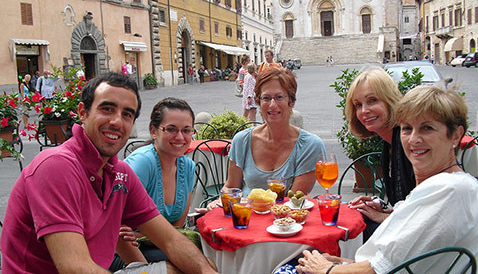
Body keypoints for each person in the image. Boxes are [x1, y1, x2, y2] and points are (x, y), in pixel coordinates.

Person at [1, 72, 217, 274]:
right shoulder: (56, 166)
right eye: (107, 109)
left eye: (127, 114)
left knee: (201, 264)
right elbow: (74, 267)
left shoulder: (119, 172)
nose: (116, 122)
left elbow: (171, 239)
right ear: (83, 113)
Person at [281, 85, 478, 274]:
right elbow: (395, 263)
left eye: (427, 128)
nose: (413, 139)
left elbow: (382, 268)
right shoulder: (445, 186)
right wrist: (340, 263)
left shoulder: (449, 189)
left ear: (455, 136)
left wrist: (328, 269)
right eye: (407, 128)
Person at [205, 67, 325, 205]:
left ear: (291, 102)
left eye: (279, 97)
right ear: (259, 102)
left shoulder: (310, 146)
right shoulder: (242, 140)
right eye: (266, 98)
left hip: (286, 222)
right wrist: (219, 202)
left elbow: (294, 201)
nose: (272, 105)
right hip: (244, 218)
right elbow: (232, 187)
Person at [110, 98, 197, 270]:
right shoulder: (142, 163)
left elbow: (177, 226)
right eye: (171, 129)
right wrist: (146, 269)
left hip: (158, 244)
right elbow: (113, 224)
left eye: (186, 130)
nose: (180, 137)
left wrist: (142, 234)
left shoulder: (188, 167)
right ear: (154, 131)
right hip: (119, 251)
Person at [345, 67, 415, 241]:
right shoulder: (389, 144)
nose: (364, 111)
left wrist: (383, 217)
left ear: (390, 100)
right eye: (358, 105)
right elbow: (408, 204)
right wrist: (381, 207)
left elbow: (423, 213)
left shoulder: (408, 142)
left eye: (372, 100)